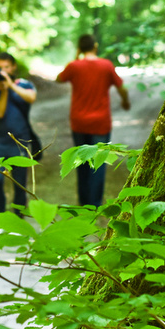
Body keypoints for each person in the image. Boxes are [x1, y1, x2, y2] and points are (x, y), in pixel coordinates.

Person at [56, 34, 130, 207]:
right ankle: (94, 206)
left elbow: (58, 79)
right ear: (95, 47)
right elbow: (121, 87)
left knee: (80, 163)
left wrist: (76, 58)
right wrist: (125, 101)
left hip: (79, 123)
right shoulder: (106, 65)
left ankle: (83, 204)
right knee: (98, 164)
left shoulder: (74, 66)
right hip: (100, 124)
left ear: (80, 48)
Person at [0, 52, 37, 214]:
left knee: (20, 184)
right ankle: (0, 215)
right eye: (0, 68)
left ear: (13, 67)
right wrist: (4, 90)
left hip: (20, 142)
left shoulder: (25, 85)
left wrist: (11, 85)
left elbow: (31, 98)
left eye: (6, 67)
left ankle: (18, 218)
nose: (3, 71)